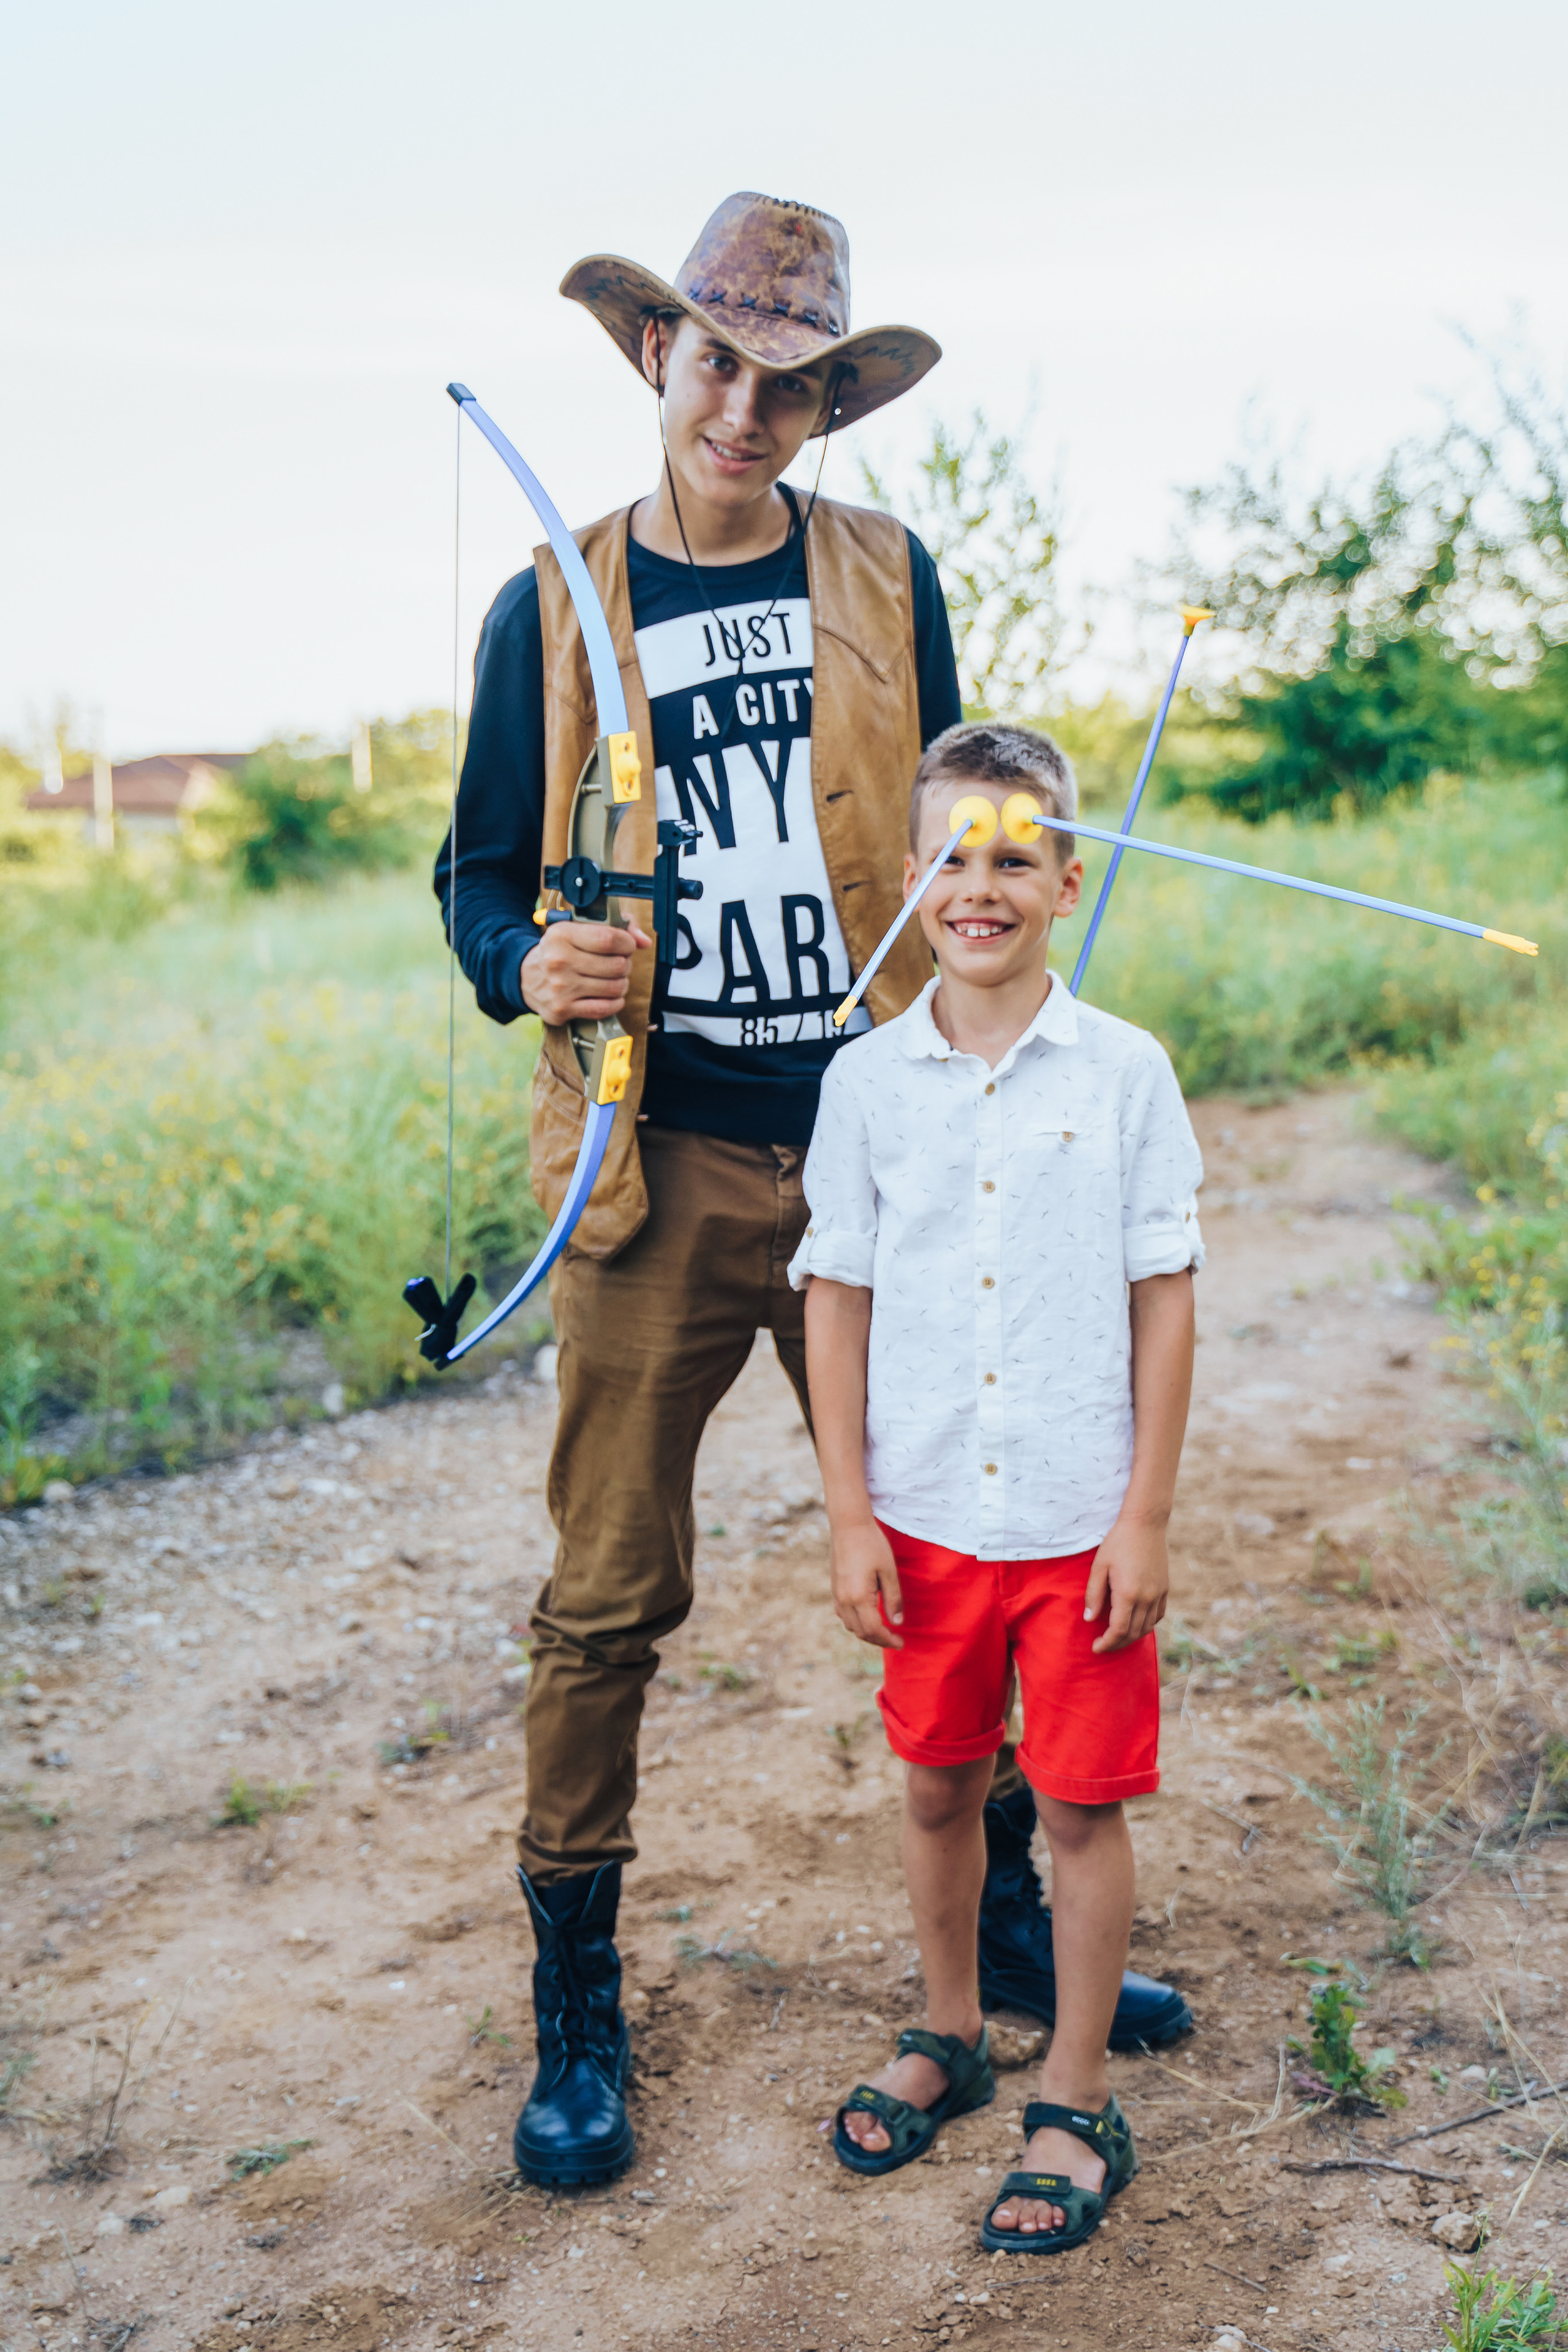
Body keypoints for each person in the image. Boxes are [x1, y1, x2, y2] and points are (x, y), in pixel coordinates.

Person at [437, 192, 1186, 2194]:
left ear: (825, 405)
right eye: (715, 364)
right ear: (656, 362)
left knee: (973, 1528)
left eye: (789, 382)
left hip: (878, 1147)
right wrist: (531, 964)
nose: (746, 410)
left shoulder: (886, 576)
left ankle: (1014, 1922)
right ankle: (575, 2002)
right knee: (606, 1598)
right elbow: (476, 876)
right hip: (653, 1168)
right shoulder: (557, 600)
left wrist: (1016, 873)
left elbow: (962, 819)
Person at [791, 721, 1204, 2253]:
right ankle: (955, 2032)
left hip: (1074, 1520)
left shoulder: (1123, 1074)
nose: (982, 884)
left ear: (1065, 880)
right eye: (954, 857)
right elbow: (835, 1293)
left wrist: (1144, 1514)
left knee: (1081, 1808)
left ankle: (1075, 2094)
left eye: (1015, 856)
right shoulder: (864, 1084)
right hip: (923, 1521)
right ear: (910, 883)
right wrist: (847, 1513)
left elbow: (1162, 1293)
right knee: (935, 1784)